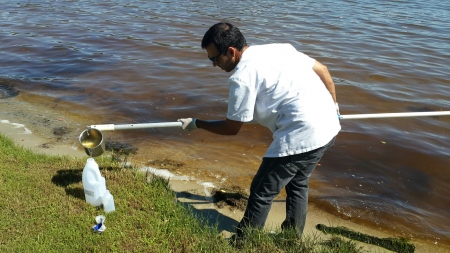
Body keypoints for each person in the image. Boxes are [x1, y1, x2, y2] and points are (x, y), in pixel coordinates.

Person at [178, 22, 341, 241]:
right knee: (298, 182)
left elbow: (232, 128)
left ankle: (244, 242)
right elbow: (323, 71)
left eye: (214, 59)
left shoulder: (241, 78)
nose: (213, 65)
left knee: (262, 189)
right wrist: (334, 107)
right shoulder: (280, 48)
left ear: (231, 52)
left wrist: (197, 123)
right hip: (329, 126)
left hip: (302, 132)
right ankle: (291, 238)